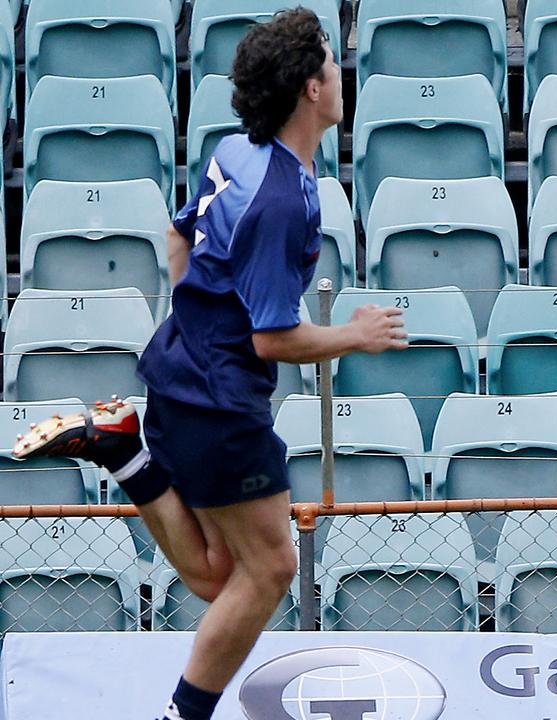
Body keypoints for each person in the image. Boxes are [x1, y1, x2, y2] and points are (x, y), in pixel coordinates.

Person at [13, 9, 407, 720]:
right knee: (272, 569)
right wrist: (355, 333)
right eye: (330, 62)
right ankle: (182, 716)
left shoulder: (236, 152)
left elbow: (176, 233)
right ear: (310, 90)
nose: (340, 73)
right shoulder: (281, 198)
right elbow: (272, 339)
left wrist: (196, 326)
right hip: (222, 402)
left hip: (177, 372)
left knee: (221, 574)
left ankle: (124, 451)